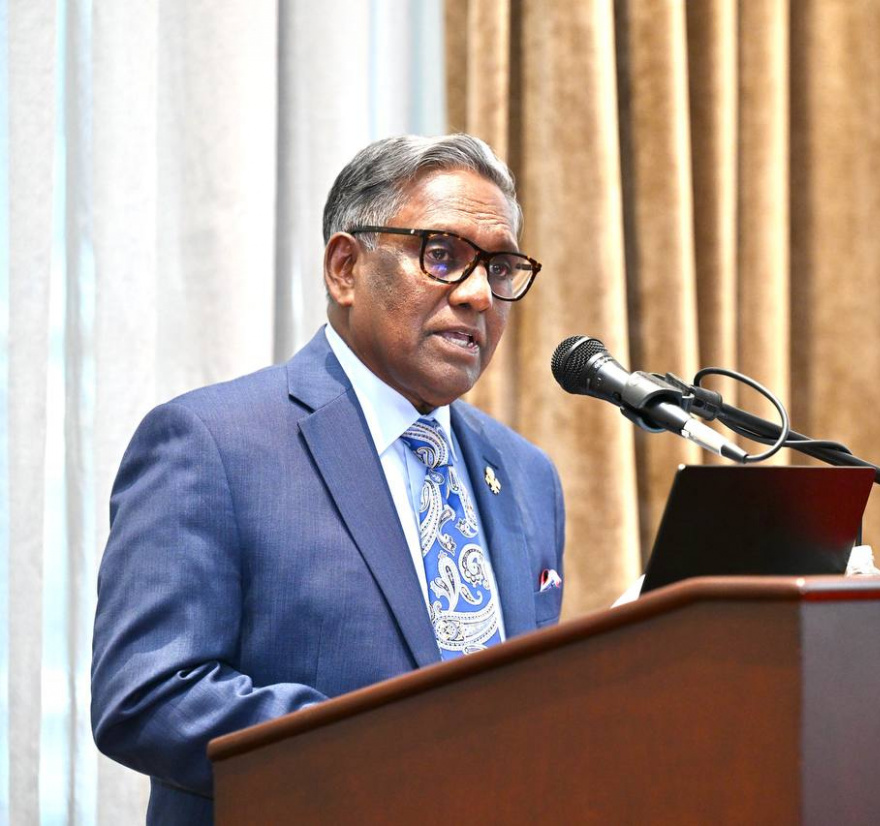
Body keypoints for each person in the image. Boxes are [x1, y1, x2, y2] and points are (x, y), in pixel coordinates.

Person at [90, 134, 565, 825]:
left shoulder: (525, 474)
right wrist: (396, 751)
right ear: (345, 268)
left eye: (500, 269)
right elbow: (150, 695)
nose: (476, 295)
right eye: (442, 255)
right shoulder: (212, 442)